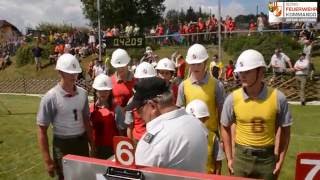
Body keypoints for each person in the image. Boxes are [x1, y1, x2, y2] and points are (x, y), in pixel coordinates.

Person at [221, 49, 292, 179]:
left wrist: (280, 160)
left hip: (267, 159)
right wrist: (230, 158)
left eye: (247, 72)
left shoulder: (278, 98)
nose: (242, 75)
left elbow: (286, 131)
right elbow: (224, 127)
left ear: (260, 72)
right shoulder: (232, 98)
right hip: (241, 158)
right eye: (241, 72)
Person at [128, 77, 208, 172]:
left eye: (138, 109)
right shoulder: (198, 124)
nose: (139, 115)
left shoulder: (151, 144)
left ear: (152, 106)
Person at [37, 54, 94, 179]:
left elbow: (86, 121)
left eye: (75, 72)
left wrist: (92, 144)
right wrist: (47, 161)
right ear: (60, 72)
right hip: (62, 145)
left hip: (81, 143)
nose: (74, 76)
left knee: (84, 176)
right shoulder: (50, 97)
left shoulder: (83, 94)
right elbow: (41, 130)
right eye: (69, 72)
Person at [176, 44, 225, 174]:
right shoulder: (183, 86)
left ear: (205, 63)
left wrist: (223, 139)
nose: (195, 67)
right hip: (190, 136)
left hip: (211, 136)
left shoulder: (217, 85)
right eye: (192, 64)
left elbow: (222, 114)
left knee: (213, 172)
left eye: (199, 63)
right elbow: (180, 114)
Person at [186, 99, 225, 175]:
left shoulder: (212, 137)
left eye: (198, 119)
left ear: (205, 118)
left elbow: (218, 163)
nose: (195, 122)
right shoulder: (182, 137)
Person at [125, 62, 157, 144]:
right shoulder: (131, 102)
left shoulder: (160, 99)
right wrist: (132, 146)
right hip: (138, 141)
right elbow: (130, 127)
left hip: (156, 141)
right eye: (141, 80)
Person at [90, 74, 118, 159]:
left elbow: (121, 131)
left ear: (110, 91)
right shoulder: (91, 109)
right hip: (96, 147)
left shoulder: (116, 108)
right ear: (96, 91)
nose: (103, 93)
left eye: (106, 90)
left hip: (112, 148)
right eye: (100, 90)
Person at [110, 48, 135, 134]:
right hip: (116, 125)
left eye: (122, 66)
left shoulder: (136, 80)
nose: (120, 69)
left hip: (133, 125)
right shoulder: (110, 81)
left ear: (127, 63)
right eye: (118, 67)